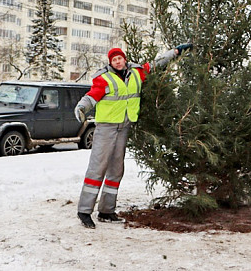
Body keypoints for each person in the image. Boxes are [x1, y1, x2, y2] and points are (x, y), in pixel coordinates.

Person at [74, 43, 192, 229]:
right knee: (97, 168)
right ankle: (84, 211)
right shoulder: (104, 78)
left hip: (124, 127)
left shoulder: (136, 73)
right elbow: (92, 96)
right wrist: (81, 107)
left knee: (116, 169)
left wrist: (176, 52)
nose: (118, 62)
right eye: (114, 60)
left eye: (119, 58)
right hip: (106, 128)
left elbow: (156, 63)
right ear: (110, 62)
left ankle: (106, 211)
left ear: (124, 59)